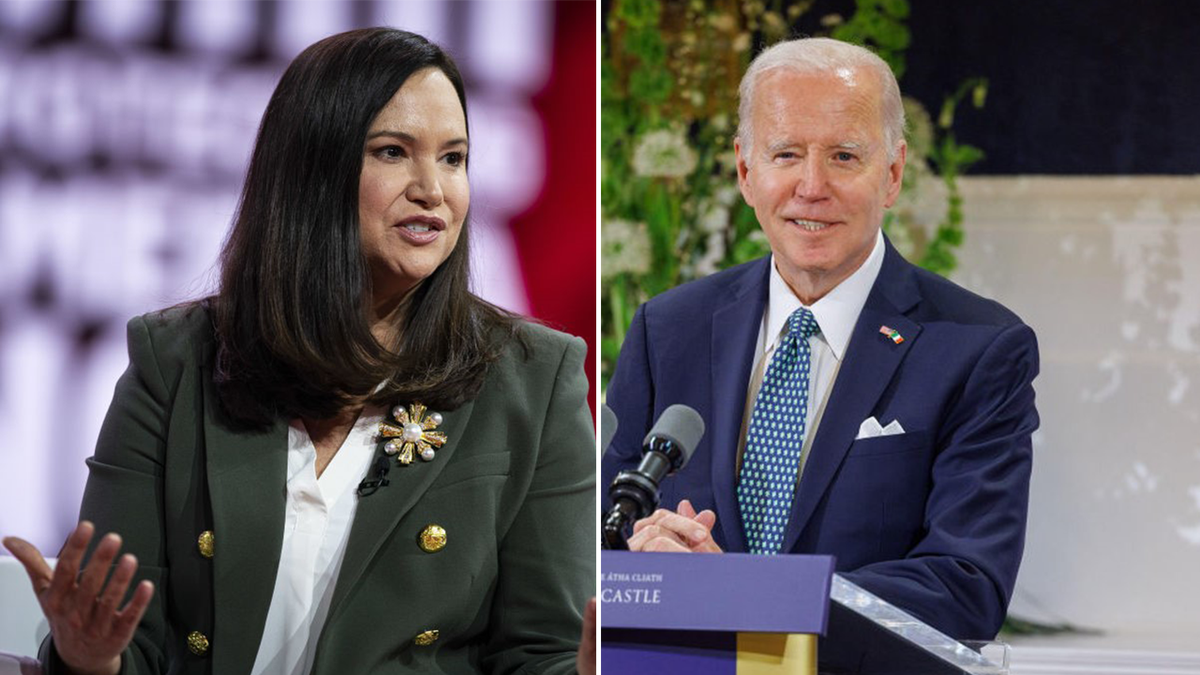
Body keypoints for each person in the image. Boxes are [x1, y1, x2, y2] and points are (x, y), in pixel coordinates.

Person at [3, 28, 596, 675]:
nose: (434, 188)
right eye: (394, 152)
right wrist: (88, 657)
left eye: (454, 158)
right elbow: (132, 640)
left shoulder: (536, 377)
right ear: (314, 169)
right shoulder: (176, 361)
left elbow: (541, 654)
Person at [602, 36, 1038, 660]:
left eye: (843, 156)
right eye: (785, 154)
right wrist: (646, 560)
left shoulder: (978, 350)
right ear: (746, 172)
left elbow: (965, 585)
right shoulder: (668, 329)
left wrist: (743, 596)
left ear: (891, 175)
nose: (812, 186)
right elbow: (597, 539)